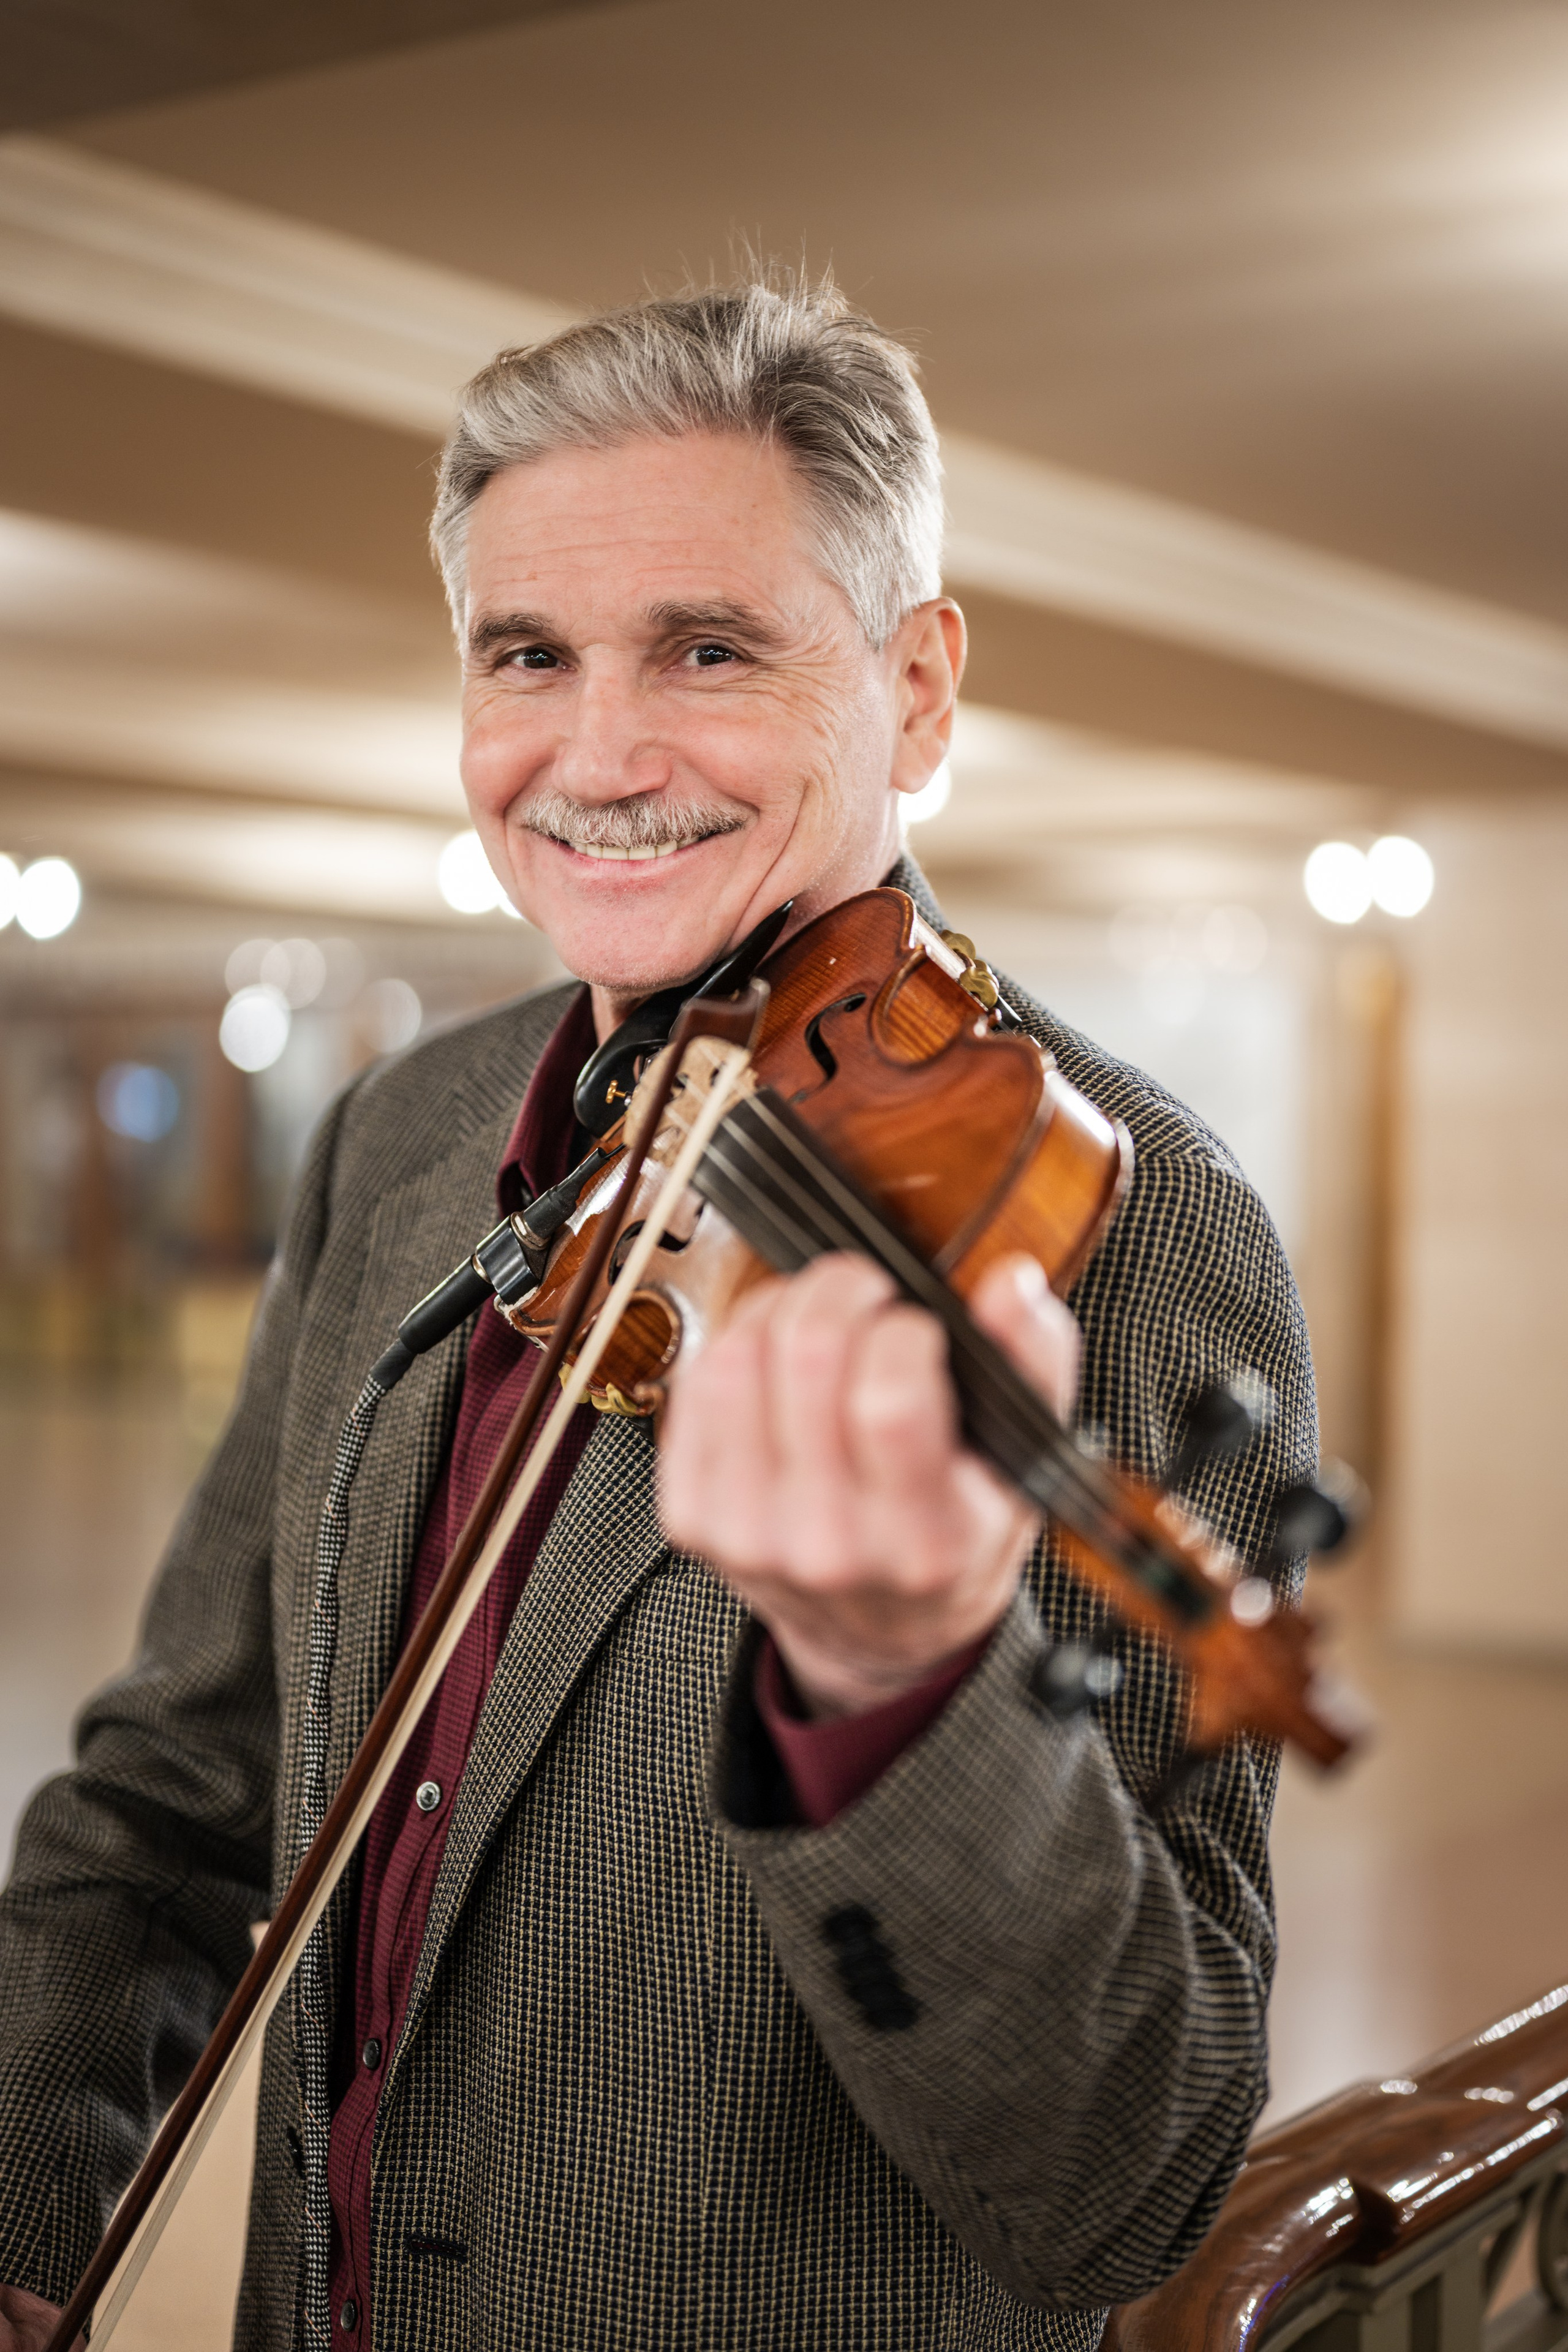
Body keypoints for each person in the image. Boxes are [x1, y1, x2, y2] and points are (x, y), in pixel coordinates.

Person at [0, 273, 1314, 2352]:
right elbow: (174, 1777)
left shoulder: (1116, 1222)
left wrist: (903, 1696)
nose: (598, 754)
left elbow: (1121, 2171)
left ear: (918, 687)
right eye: (529, 655)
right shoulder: (413, 1129)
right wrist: (21, 2201)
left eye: (710, 649)